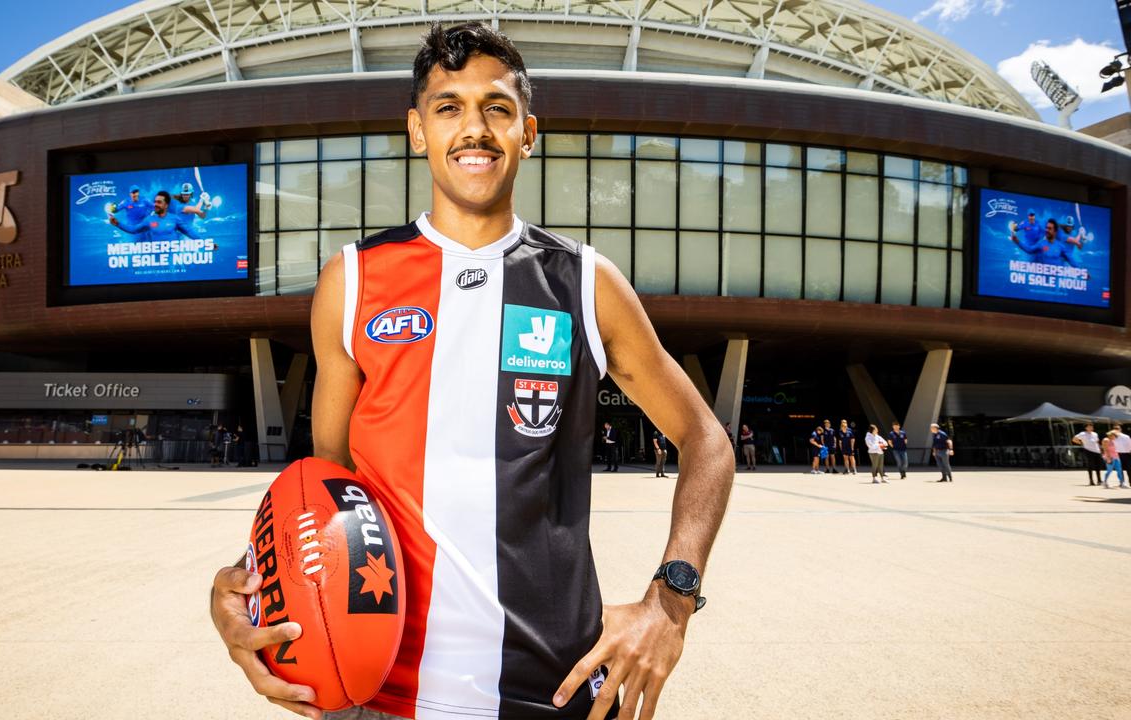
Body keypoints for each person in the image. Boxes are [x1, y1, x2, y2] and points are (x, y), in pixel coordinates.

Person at [208, 23, 735, 720]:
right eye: (448, 107)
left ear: (528, 130)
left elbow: (708, 441)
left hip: (552, 694)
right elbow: (322, 485)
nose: (474, 129)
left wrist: (671, 603)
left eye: (496, 107)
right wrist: (245, 583)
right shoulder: (355, 280)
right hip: (381, 695)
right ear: (417, 130)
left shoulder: (583, 282)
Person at [109, 190, 204, 241]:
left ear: (166, 205)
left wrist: (207, 244)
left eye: (159, 202)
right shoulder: (149, 220)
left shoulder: (175, 219)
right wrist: (117, 224)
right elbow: (134, 230)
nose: (155, 204)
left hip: (172, 261)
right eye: (155, 202)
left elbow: (190, 233)